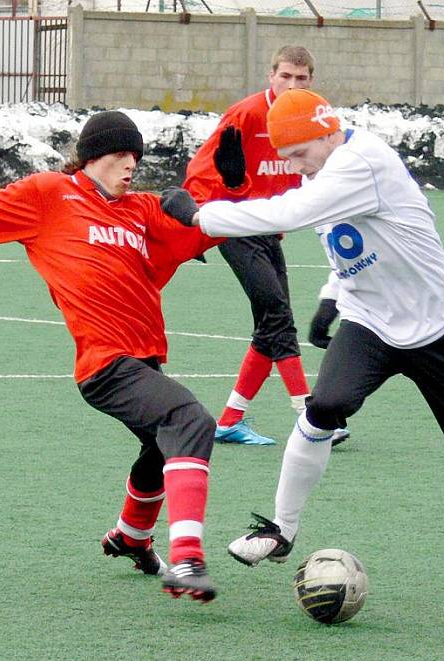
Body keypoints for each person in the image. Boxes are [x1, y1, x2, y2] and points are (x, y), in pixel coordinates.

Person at [160, 90, 444, 612]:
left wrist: (200, 216)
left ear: (326, 132)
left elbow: (297, 212)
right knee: (323, 407)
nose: (297, 168)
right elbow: (351, 238)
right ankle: (282, 529)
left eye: (301, 154)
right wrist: (331, 298)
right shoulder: (324, 168)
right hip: (370, 322)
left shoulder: (361, 160)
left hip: (436, 327)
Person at [0, 111, 223, 602]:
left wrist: (200, 205)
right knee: (190, 419)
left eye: (135, 157)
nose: (130, 166)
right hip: (106, 366)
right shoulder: (51, 194)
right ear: (92, 158)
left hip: (145, 358)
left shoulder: (140, 208)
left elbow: (204, 230)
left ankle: (131, 537)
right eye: (119, 156)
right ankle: (188, 558)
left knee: (161, 446)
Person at [182, 45, 349, 447]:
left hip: (271, 230)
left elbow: (331, 169)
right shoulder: (245, 115)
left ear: (311, 80)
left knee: (267, 328)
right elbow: (200, 174)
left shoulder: (314, 117)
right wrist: (198, 227)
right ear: (271, 76)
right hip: (236, 228)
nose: (293, 84)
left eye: (302, 78)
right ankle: (311, 415)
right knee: (277, 315)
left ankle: (228, 420)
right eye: (286, 76)